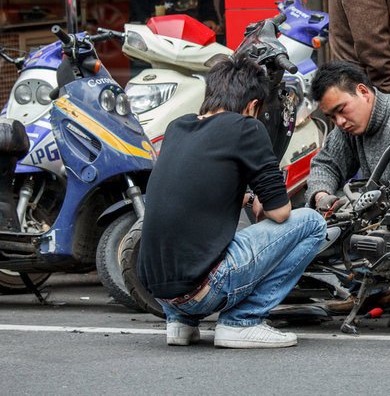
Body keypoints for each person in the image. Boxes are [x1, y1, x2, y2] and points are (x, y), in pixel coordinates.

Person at [137, 55, 327, 349]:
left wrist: (249, 197)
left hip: (160, 292)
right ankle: (243, 321)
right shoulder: (246, 127)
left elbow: (197, 191)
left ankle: (181, 323)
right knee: (312, 223)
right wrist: (264, 201)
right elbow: (279, 212)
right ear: (252, 106)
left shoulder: (178, 128)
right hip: (204, 289)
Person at [305, 60, 390, 321]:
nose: (340, 121)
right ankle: (370, 291)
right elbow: (325, 164)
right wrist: (322, 196)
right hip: (378, 218)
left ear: (363, 92)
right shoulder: (348, 129)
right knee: (349, 209)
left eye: (341, 110)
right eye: (332, 117)